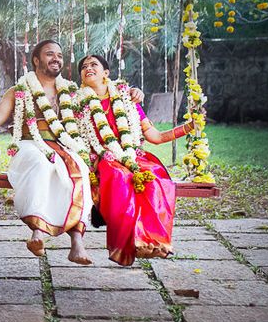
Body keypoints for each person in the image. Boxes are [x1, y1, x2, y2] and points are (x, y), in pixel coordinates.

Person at [0, 40, 96, 264]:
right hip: (30, 145)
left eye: (59, 55)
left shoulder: (71, 92)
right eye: (50, 54)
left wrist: (131, 93)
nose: (56, 59)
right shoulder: (19, 90)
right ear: (36, 60)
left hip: (64, 147)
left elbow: (103, 95)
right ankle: (37, 233)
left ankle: (77, 242)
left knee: (79, 169)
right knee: (42, 165)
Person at [76, 54, 194, 266]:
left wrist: (188, 128)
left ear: (106, 73)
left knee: (156, 179)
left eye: (94, 64)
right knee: (119, 176)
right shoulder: (76, 104)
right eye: (84, 67)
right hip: (104, 159)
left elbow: (155, 137)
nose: (88, 68)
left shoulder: (127, 100)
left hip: (133, 155)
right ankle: (126, 245)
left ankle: (152, 242)